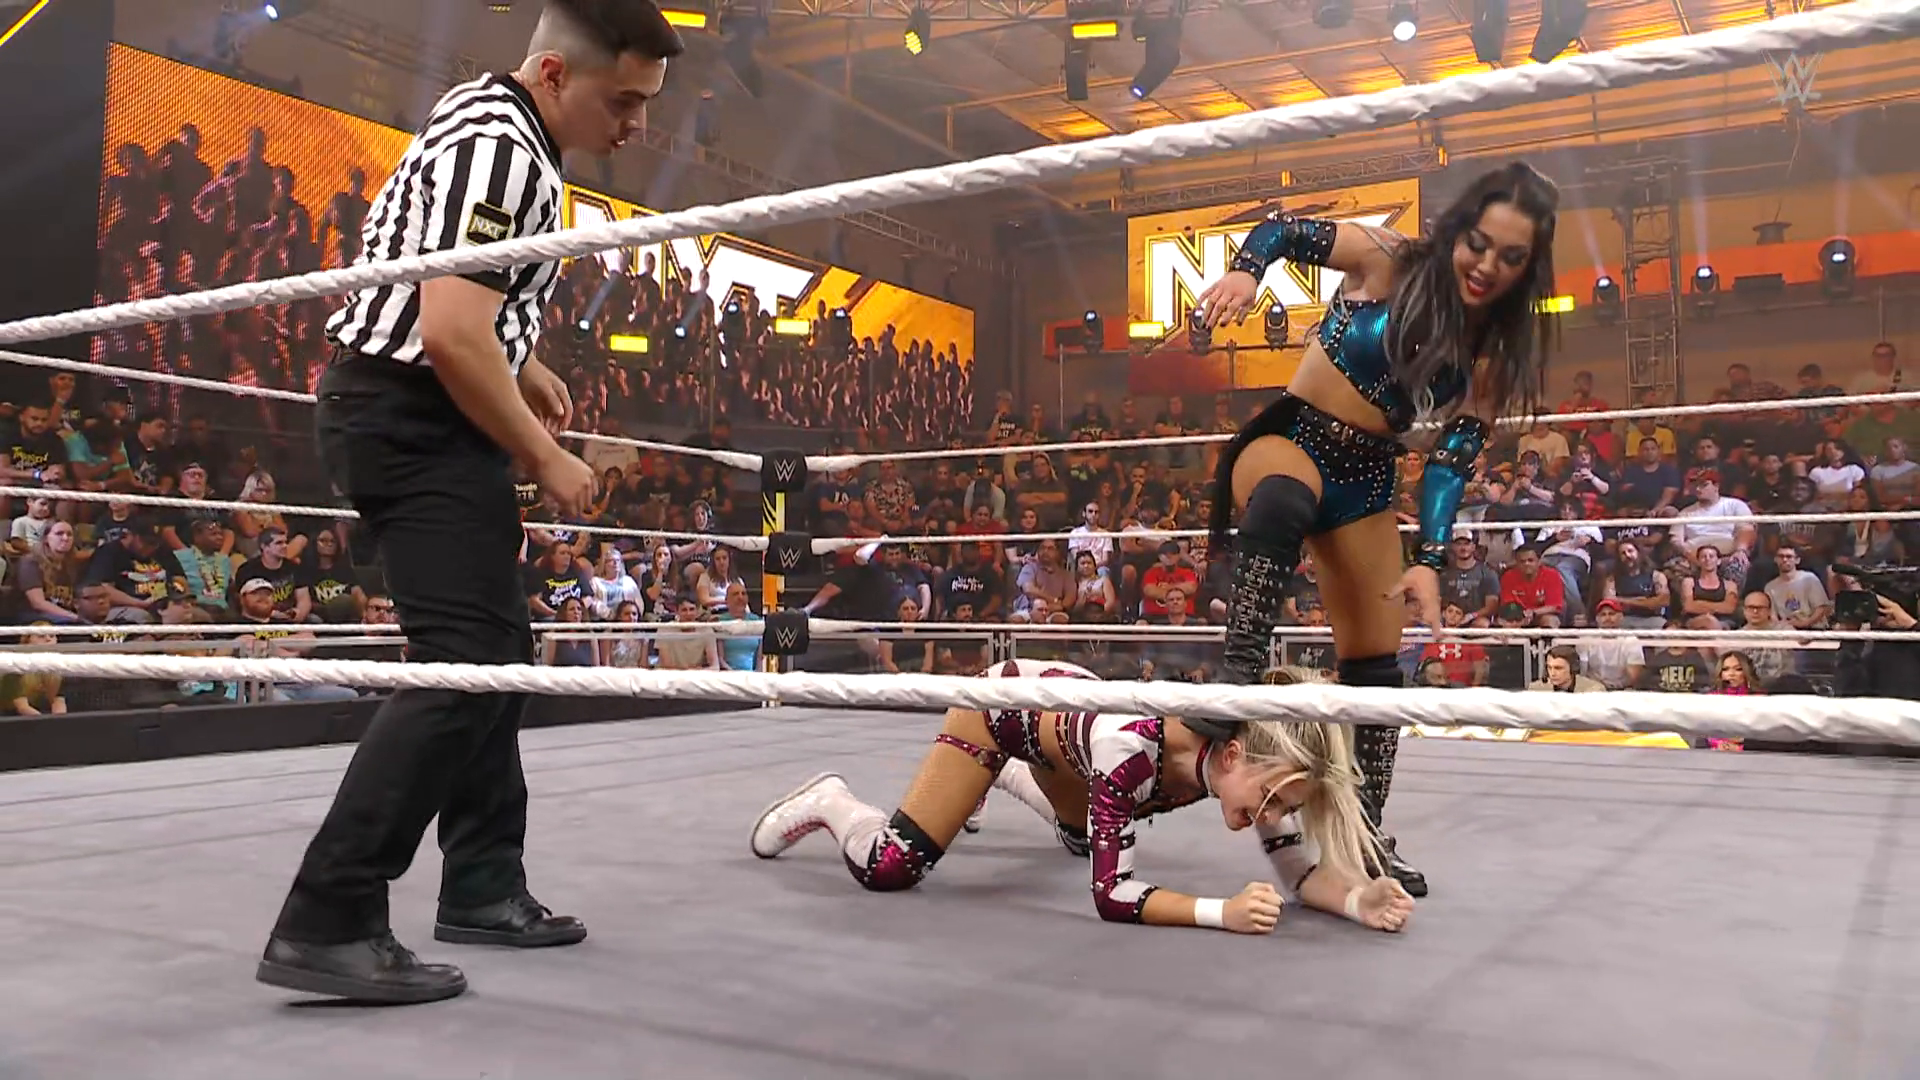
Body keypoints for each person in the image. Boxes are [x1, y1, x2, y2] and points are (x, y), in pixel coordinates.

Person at [257, 0, 684, 1006]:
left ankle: (484, 884)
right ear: (555, 73)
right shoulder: (505, 153)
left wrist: (520, 359)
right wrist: (546, 454)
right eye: (623, 100)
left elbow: (444, 284)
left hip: (415, 411)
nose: (637, 124)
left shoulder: (486, 114)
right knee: (465, 662)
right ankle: (328, 915)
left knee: (496, 652)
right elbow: (449, 331)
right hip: (411, 416)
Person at [1193, 163, 1561, 897]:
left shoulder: (1490, 352)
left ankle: (1363, 834)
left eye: (1511, 256)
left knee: (1376, 668)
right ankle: (1236, 679)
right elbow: (1283, 229)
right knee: (1282, 501)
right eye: (1479, 244)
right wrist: (1245, 272)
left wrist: (1429, 557)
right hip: (1292, 438)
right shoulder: (1387, 257)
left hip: (1366, 479)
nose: (1487, 266)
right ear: (1457, 231)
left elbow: (1451, 460)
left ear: (1528, 268)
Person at [751, 659, 1414, 935]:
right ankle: (835, 800)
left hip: (1070, 734)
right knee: (890, 867)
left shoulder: (1243, 760)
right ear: (1236, 757)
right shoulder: (1133, 750)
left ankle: (1003, 777)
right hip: (998, 707)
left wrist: (1358, 900)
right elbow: (1112, 895)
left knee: (1080, 838)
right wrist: (1223, 912)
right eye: (1274, 802)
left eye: (1284, 809)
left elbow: (1300, 875)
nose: (1272, 820)